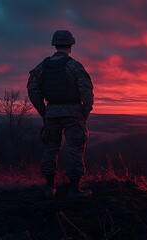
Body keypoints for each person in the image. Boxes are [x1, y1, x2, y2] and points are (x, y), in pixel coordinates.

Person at [27, 30, 94, 200]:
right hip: (73, 113)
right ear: (71, 45)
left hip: (51, 113)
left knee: (51, 147)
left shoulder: (41, 66)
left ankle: (50, 188)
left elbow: (33, 90)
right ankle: (74, 190)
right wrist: (84, 113)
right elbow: (87, 92)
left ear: (54, 44)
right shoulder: (74, 66)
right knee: (74, 148)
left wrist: (44, 112)